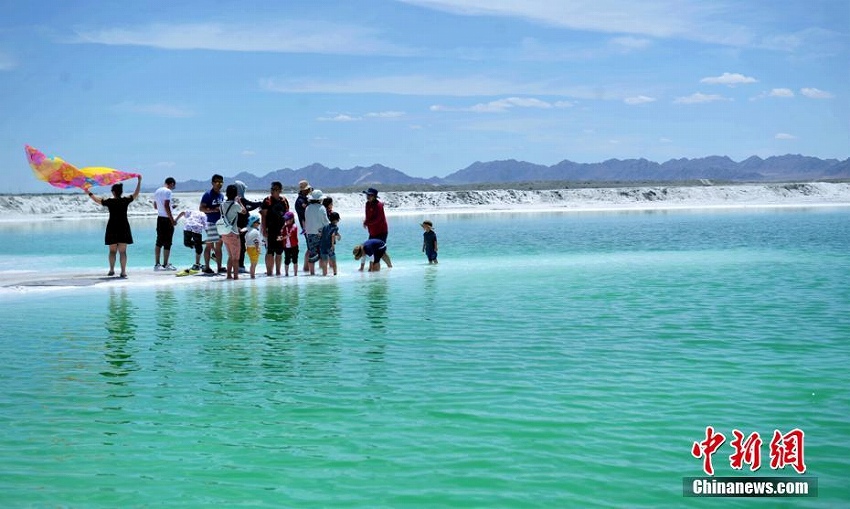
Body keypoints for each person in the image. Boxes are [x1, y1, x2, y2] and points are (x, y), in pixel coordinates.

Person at [84, 175, 142, 278]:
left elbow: (97, 200)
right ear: (121, 192)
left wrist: (88, 191)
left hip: (112, 227)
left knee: (112, 251)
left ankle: (111, 270)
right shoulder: (125, 200)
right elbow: (136, 194)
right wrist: (139, 181)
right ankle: (123, 272)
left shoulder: (110, 202)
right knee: (123, 252)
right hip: (124, 227)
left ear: (113, 192)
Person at [260, 181, 290, 276]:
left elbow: (287, 215)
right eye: (272, 189)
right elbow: (263, 216)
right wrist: (264, 229)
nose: (273, 191)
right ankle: (269, 272)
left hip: (281, 230)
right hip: (270, 230)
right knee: (270, 251)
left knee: (279, 251)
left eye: (275, 189)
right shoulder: (267, 200)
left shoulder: (284, 201)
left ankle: (278, 272)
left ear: (280, 190)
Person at [234, 180, 263, 274]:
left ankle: (236, 266)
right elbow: (250, 206)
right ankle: (240, 266)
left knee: (237, 247)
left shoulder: (233, 201)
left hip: (234, 228)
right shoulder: (241, 200)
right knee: (241, 247)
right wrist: (260, 203)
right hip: (240, 228)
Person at [220, 184, 247, 280]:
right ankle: (235, 276)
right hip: (233, 233)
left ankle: (228, 275)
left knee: (230, 256)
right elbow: (244, 211)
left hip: (224, 233)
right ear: (235, 194)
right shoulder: (235, 205)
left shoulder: (222, 205)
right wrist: (239, 201)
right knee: (236, 258)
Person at [199, 174, 225, 274]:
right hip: (210, 222)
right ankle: (207, 267)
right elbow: (201, 208)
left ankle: (219, 267)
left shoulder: (221, 195)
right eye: (217, 182)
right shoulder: (208, 194)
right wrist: (213, 210)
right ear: (213, 183)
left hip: (220, 224)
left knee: (219, 246)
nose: (219, 184)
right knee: (209, 245)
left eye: (221, 182)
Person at [362, 187, 393, 268]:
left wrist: (367, 223)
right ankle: (390, 267)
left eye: (370, 195)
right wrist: (365, 221)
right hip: (372, 232)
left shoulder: (379, 205)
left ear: (375, 196)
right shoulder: (367, 204)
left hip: (381, 232)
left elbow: (377, 219)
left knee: (378, 252)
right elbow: (368, 216)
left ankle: (377, 272)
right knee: (379, 251)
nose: (368, 196)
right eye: (367, 195)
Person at [153, 177, 178, 271]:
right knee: (168, 242)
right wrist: (172, 220)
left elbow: (156, 206)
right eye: (174, 186)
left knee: (159, 241)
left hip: (159, 218)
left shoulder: (157, 191)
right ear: (171, 184)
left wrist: (171, 207)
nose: (173, 188)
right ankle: (165, 264)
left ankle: (157, 264)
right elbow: (166, 205)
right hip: (167, 219)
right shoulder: (168, 191)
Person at [304, 189, 330, 276]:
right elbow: (325, 221)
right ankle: (324, 273)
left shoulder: (307, 208)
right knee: (323, 254)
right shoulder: (322, 208)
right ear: (320, 199)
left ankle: (312, 273)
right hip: (320, 234)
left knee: (312, 254)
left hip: (310, 234)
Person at [294, 180, 312, 273]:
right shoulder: (300, 201)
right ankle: (306, 267)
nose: (309, 190)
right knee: (310, 247)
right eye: (308, 189)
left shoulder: (304, 199)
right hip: (306, 227)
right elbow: (306, 213)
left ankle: (307, 267)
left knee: (310, 246)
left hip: (308, 226)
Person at [319, 211, 341, 276]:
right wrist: (332, 245)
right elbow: (333, 235)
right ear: (336, 220)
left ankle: (324, 274)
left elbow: (321, 234)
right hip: (329, 246)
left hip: (322, 246)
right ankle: (335, 274)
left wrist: (338, 235)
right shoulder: (335, 227)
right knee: (333, 260)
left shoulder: (325, 226)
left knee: (325, 261)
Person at [281, 211, 299, 277]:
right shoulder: (284, 227)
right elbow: (281, 234)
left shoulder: (294, 226)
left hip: (294, 246)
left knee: (295, 260)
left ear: (292, 219)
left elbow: (290, 233)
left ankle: (295, 274)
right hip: (286, 246)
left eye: (287, 219)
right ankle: (286, 273)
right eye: (285, 219)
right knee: (287, 260)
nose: (286, 221)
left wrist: (283, 237)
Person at [243, 215, 262, 279]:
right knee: (254, 264)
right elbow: (256, 241)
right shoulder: (255, 232)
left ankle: (252, 275)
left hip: (248, 248)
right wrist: (257, 248)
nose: (259, 224)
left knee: (252, 263)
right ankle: (252, 276)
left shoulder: (248, 230)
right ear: (253, 223)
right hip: (254, 248)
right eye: (258, 222)